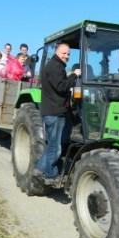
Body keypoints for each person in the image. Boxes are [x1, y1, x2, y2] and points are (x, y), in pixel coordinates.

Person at [35, 43, 81, 184]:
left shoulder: (56, 66)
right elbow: (61, 87)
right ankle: (51, 175)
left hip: (56, 110)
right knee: (55, 146)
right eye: (64, 53)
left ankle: (39, 169)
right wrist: (74, 75)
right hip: (54, 112)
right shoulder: (55, 67)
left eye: (68, 54)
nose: (66, 56)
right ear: (57, 52)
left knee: (53, 144)